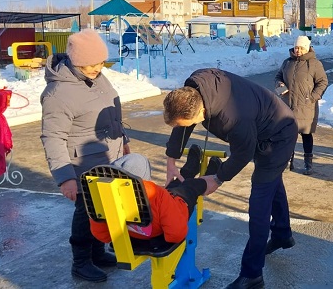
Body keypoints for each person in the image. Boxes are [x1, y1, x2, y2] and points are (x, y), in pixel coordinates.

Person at [163, 68, 298, 289]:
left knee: (259, 203)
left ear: (200, 113)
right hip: (262, 122)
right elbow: (182, 123)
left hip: (279, 133)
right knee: (272, 182)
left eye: (189, 123)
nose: (186, 127)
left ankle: (252, 274)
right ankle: (282, 233)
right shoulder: (195, 88)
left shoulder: (233, 118)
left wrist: (217, 178)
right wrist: (171, 161)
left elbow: (243, 153)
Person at [40, 29, 129, 283]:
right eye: (90, 64)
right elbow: (53, 137)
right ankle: (81, 262)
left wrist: (124, 141)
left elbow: (114, 113)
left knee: (102, 212)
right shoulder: (58, 94)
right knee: (86, 212)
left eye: (100, 62)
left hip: (106, 158)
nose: (96, 68)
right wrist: (65, 177)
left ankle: (98, 253)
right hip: (82, 166)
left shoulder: (100, 78)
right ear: (75, 61)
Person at [89, 147, 222, 244]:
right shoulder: (155, 193)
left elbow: (102, 236)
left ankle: (189, 170)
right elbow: (176, 234)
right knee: (190, 188)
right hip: (173, 209)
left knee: (173, 187)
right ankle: (208, 177)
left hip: (137, 233)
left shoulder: (105, 198)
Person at [275, 35, 329, 175]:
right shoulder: (287, 62)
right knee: (288, 136)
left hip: (306, 106)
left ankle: (308, 164)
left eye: (300, 48)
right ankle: (287, 161)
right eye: (296, 47)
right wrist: (280, 86)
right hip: (288, 106)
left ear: (306, 48)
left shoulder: (315, 64)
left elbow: (322, 82)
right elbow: (278, 77)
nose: (297, 50)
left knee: (306, 135)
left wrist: (312, 97)